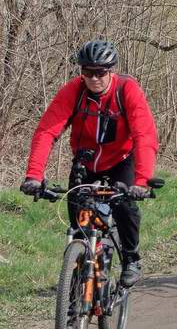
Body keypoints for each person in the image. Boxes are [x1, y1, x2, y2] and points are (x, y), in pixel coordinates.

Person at [21, 41, 159, 287]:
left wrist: (141, 181)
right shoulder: (73, 91)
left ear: (111, 71)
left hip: (121, 160)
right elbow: (46, 131)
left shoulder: (126, 90)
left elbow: (144, 135)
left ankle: (131, 258)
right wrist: (34, 175)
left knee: (125, 207)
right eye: (87, 72)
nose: (94, 78)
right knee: (78, 220)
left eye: (100, 72)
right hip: (85, 161)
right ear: (81, 72)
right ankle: (78, 278)